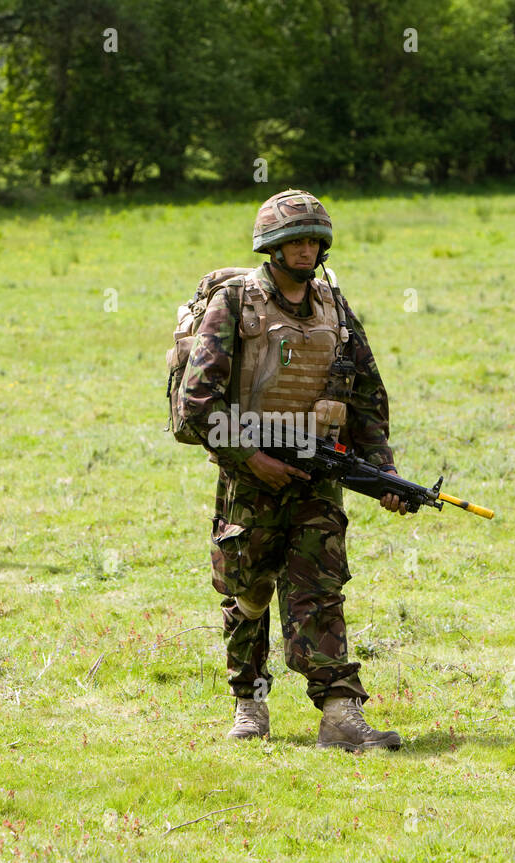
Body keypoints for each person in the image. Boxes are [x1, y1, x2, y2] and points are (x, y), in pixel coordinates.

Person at [177, 189, 410, 750]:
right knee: (249, 591)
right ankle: (249, 702)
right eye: (294, 240)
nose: (305, 250)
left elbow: (367, 397)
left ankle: (339, 713)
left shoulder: (334, 307)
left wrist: (383, 473)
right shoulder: (235, 304)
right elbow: (196, 405)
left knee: (320, 589)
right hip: (249, 475)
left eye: (313, 240)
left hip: (317, 474)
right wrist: (253, 459)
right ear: (272, 247)